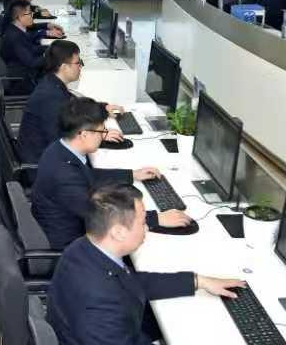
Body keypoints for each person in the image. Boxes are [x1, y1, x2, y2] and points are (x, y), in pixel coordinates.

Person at [47, 182, 256, 345]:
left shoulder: (82, 249)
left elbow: (129, 280)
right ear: (118, 232)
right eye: (142, 222)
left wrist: (198, 281)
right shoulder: (98, 302)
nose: (147, 228)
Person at [31, 97, 187, 248]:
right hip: (71, 240)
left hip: (66, 222)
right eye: (101, 131)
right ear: (84, 134)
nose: (103, 135)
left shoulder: (60, 149)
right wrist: (154, 218)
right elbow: (97, 216)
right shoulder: (64, 175)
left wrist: (132, 174)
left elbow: (88, 176)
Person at [18, 40, 122, 164]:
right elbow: (63, 141)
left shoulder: (51, 82)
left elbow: (75, 106)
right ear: (64, 67)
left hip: (44, 154)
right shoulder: (52, 97)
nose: (80, 66)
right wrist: (99, 135)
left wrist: (103, 108)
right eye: (78, 63)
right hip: (42, 164)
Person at [0, 0, 64, 83]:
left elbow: (32, 48)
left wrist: (53, 48)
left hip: (24, 70)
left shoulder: (16, 29)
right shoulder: (15, 36)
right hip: (25, 78)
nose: (32, 16)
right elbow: (32, 63)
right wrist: (52, 56)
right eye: (29, 13)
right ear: (20, 17)